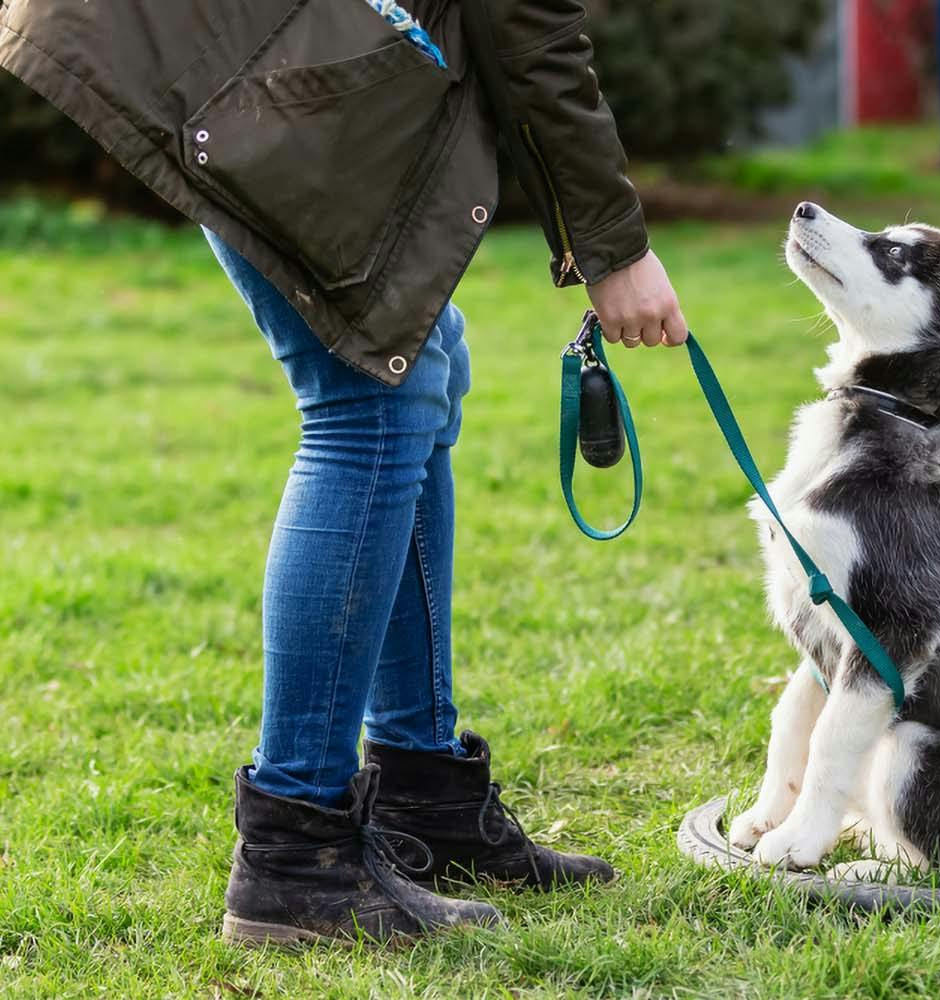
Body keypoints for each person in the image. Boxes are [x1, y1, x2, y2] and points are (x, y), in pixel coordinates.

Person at [0, 0, 684, 944]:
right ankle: (295, 854)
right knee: (369, 405)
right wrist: (616, 250)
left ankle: (424, 793)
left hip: (235, 41)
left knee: (418, 363)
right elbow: (527, 31)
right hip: (216, 48)